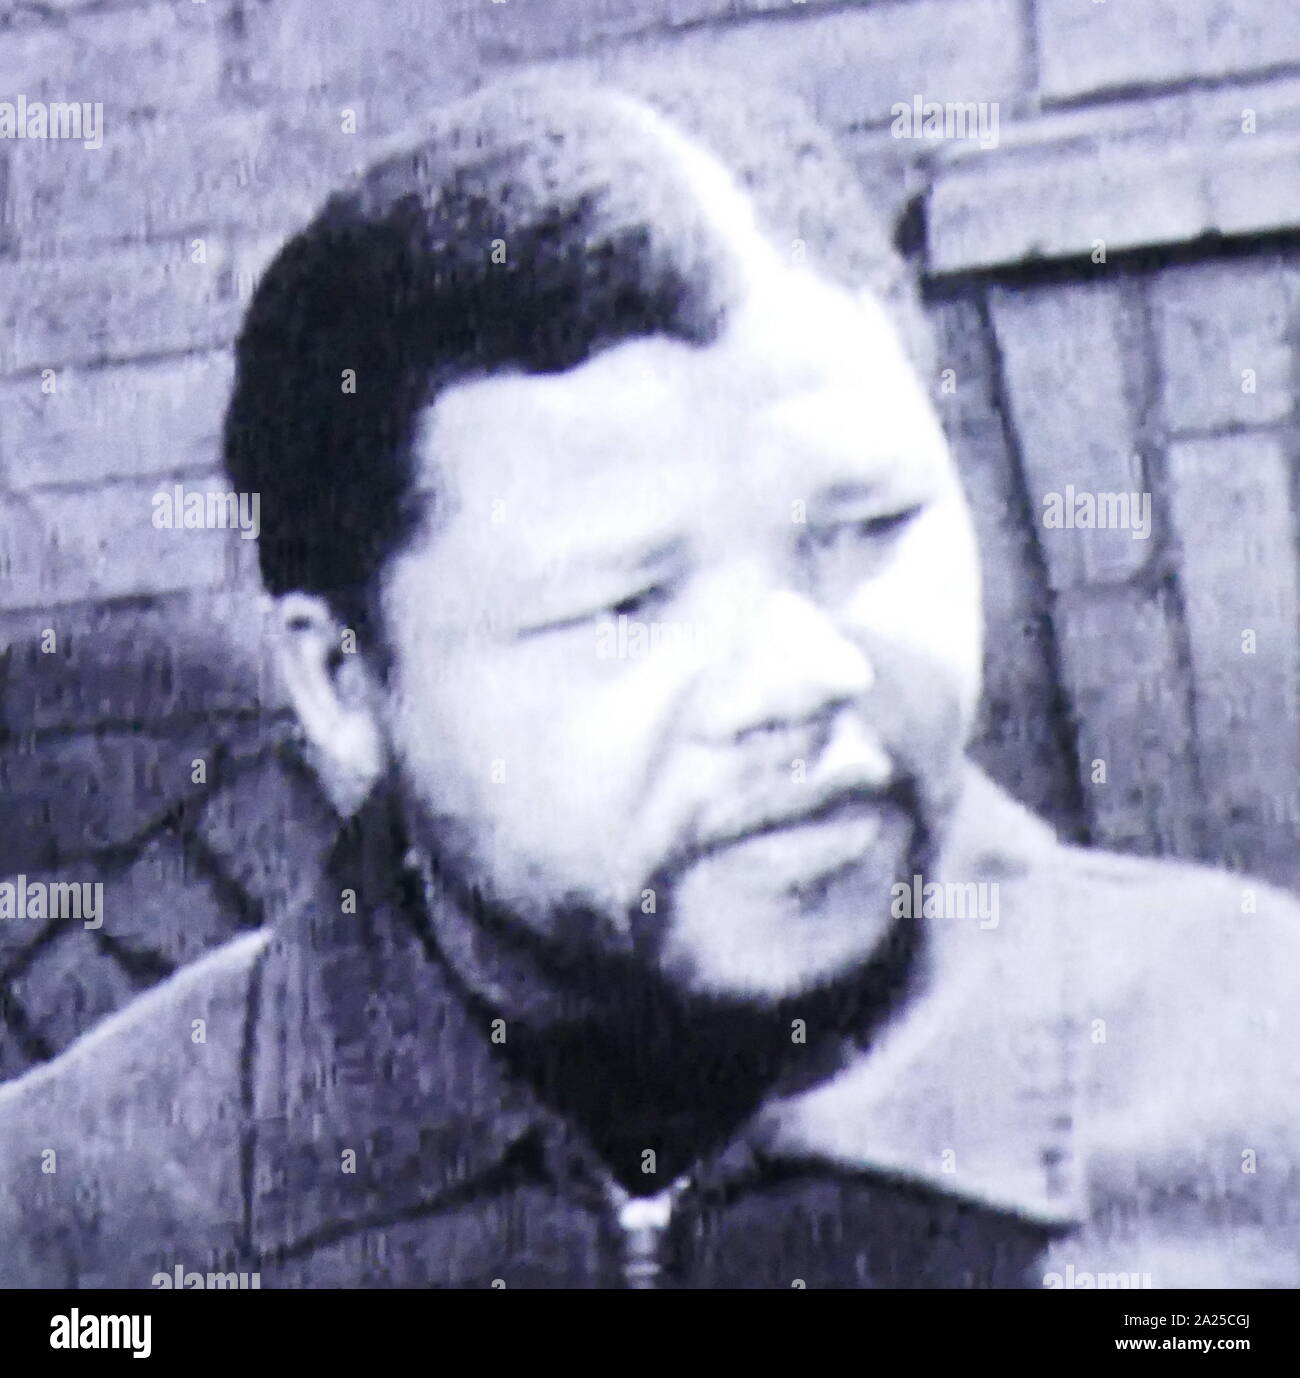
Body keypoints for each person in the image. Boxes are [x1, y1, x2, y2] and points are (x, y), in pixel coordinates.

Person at [2, 73, 1298, 1290]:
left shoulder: (1260, 1076)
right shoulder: (80, 1223)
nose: (801, 674)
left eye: (868, 528)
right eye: (627, 603)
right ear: (344, 680)